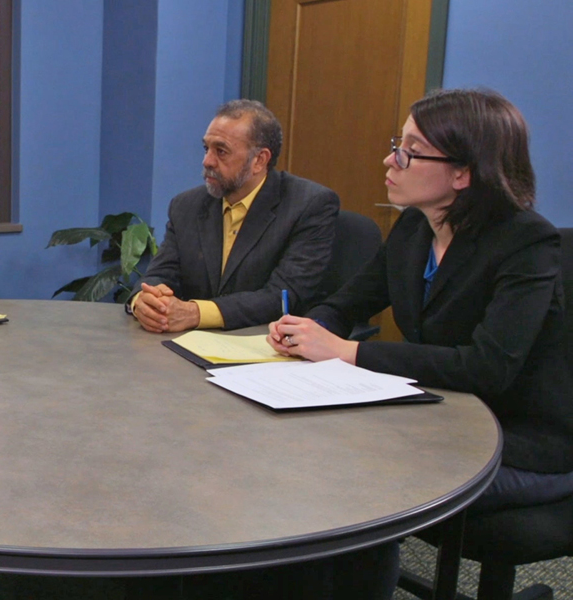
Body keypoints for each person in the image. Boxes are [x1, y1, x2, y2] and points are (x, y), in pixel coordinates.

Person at [268, 88, 573, 597]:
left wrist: (347, 351)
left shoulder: (527, 243)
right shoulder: (415, 226)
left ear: (462, 173)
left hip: (523, 442)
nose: (391, 159)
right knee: (310, 454)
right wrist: (303, 328)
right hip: (442, 421)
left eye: (410, 149)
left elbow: (486, 368)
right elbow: (348, 302)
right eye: (397, 143)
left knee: (362, 486)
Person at [129, 99, 339, 333]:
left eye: (221, 151)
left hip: (267, 348)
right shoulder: (186, 206)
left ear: (259, 160)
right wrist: (143, 302)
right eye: (206, 148)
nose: (207, 161)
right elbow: (160, 274)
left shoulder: (308, 205)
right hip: (190, 345)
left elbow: (283, 296)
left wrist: (197, 313)